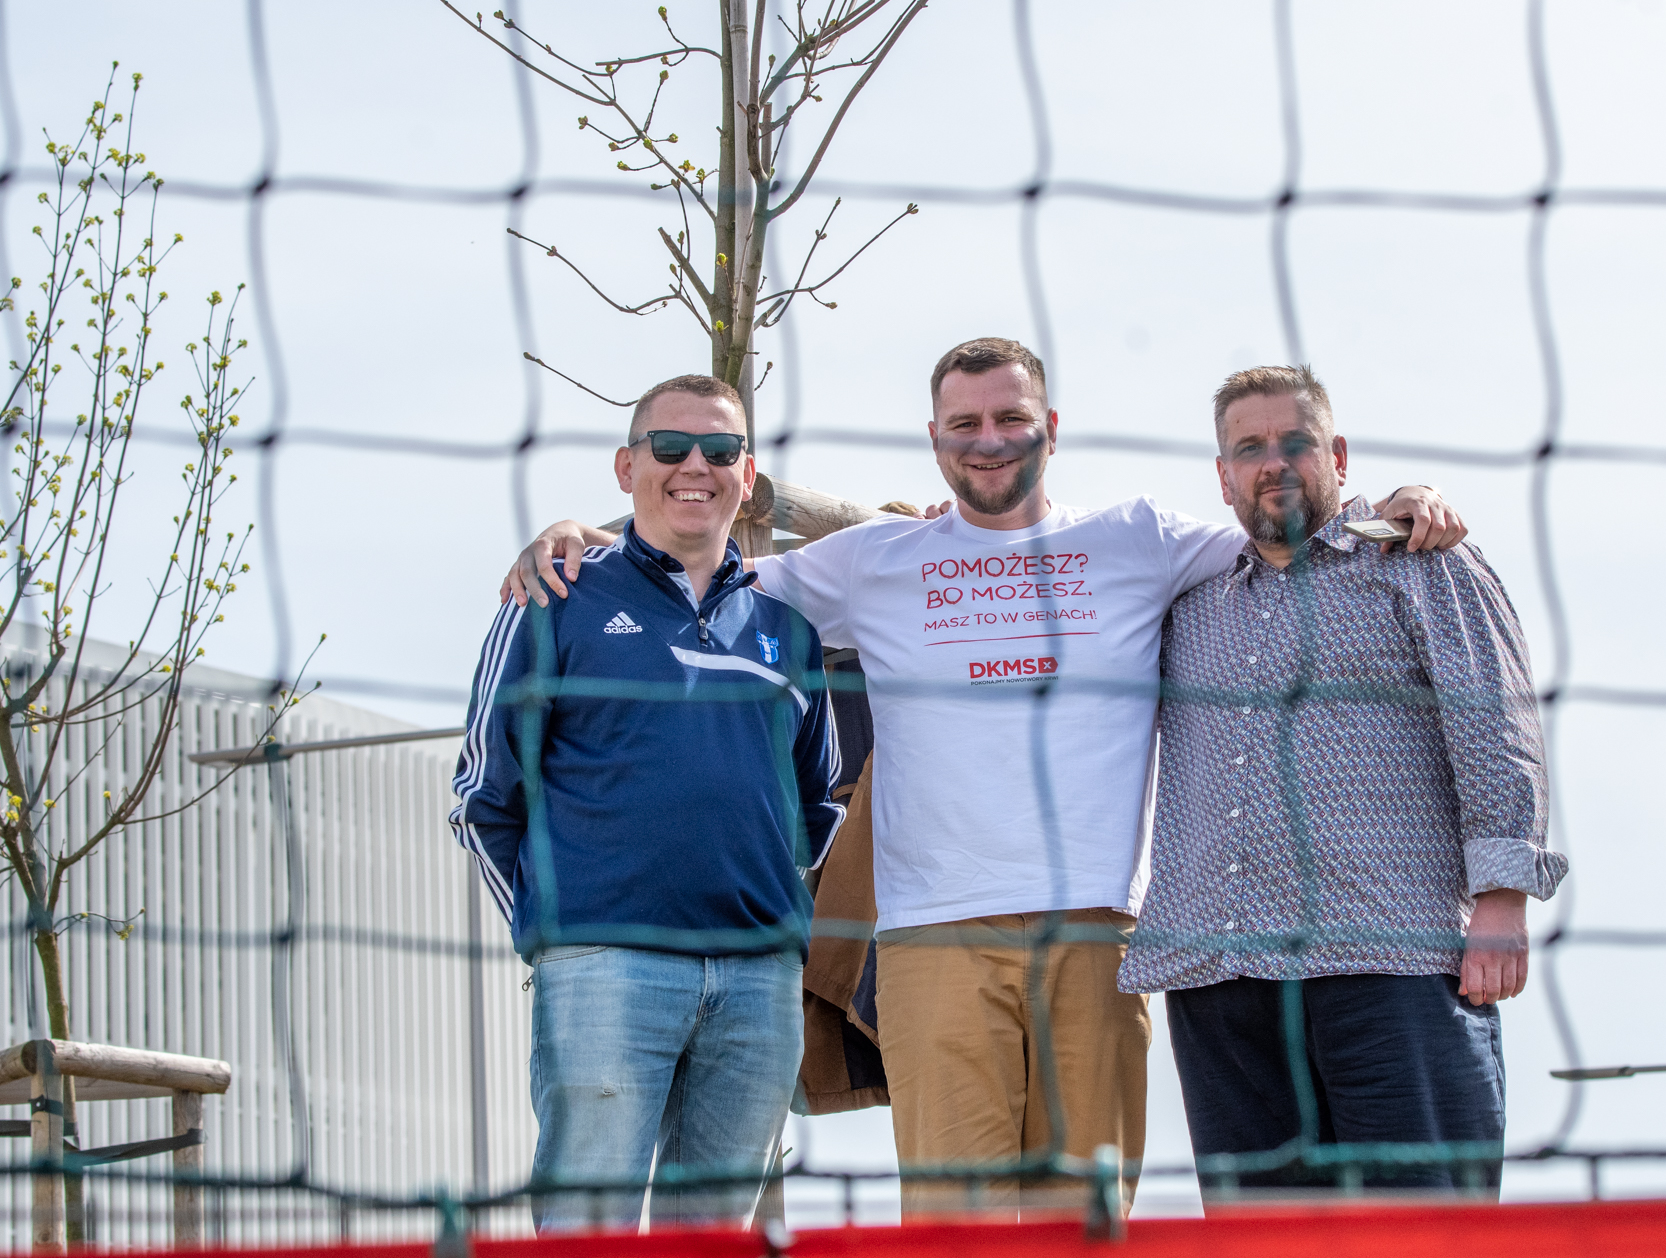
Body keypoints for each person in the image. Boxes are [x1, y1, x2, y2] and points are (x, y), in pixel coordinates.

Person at [498, 339, 1467, 1216]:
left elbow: (1283, 526)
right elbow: (691, 574)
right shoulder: (875, 560)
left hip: (1098, 934)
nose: (989, 440)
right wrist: (579, 537)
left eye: (1011, 418)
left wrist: (1398, 499)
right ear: (935, 439)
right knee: (952, 1228)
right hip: (933, 937)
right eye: (965, 423)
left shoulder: (1139, 539)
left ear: (1050, 428)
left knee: (1084, 1223)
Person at [1118, 365, 1567, 1198]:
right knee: (1260, 1244)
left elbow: (1495, 726)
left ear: (1339, 455)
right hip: (1221, 980)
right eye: (1249, 447)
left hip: (1393, 961)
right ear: (1222, 474)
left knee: (1422, 1231)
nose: (1273, 462)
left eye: (1295, 441)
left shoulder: (1421, 562)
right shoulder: (1184, 596)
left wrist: (1503, 898)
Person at [450, 374, 842, 1230]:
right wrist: (561, 932)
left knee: (715, 1241)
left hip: (758, 983)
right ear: (628, 467)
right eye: (671, 446)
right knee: (588, 1234)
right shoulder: (554, 600)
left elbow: (816, 811)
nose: (695, 464)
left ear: (746, 474)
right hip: (605, 970)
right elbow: (484, 797)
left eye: (721, 449)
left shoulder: (791, 634)